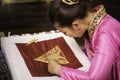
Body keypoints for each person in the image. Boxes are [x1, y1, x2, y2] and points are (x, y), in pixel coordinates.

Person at [48, 0, 120, 80]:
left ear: (76, 25)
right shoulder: (94, 19)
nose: (67, 35)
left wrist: (58, 70)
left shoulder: (105, 36)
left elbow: (95, 78)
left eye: (64, 32)